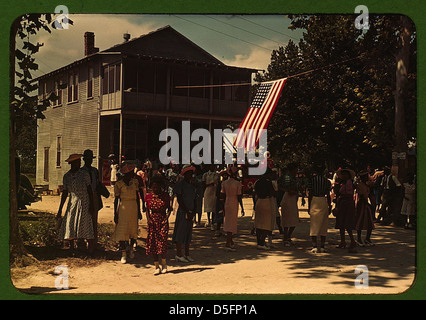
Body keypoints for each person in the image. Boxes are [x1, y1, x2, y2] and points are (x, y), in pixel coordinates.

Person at [56, 154, 95, 254]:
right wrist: (60, 209)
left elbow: (89, 189)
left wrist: (91, 204)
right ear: (71, 163)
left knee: (85, 223)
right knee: (70, 222)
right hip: (72, 201)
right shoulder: (67, 176)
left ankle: (90, 248)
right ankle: (72, 248)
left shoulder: (84, 174)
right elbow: (65, 193)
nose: (79, 163)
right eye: (77, 162)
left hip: (84, 201)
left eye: (79, 162)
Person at [113, 163, 142, 264]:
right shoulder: (119, 184)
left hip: (133, 207)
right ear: (126, 174)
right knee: (122, 230)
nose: (132, 175)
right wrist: (115, 214)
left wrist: (139, 211)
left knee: (133, 229)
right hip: (123, 208)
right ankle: (123, 253)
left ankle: (131, 249)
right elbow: (116, 200)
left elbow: (138, 198)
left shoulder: (135, 182)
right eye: (130, 173)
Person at [145, 176, 172, 275]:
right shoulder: (148, 196)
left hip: (162, 221)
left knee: (162, 242)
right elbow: (147, 209)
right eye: (154, 187)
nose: (155, 189)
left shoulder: (165, 196)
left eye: (157, 187)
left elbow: (169, 208)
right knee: (153, 243)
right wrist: (149, 219)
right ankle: (156, 266)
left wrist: (166, 219)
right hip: (152, 221)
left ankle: (164, 264)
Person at [172, 165, 197, 262]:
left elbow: (194, 198)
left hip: (190, 211)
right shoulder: (180, 184)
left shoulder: (192, 185)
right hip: (183, 211)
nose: (190, 176)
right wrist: (186, 211)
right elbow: (180, 198)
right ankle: (179, 254)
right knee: (180, 232)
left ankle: (187, 254)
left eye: (191, 174)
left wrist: (193, 211)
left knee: (188, 233)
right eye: (188, 174)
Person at [81, 149, 105, 245]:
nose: (89, 161)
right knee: (84, 219)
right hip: (84, 196)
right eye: (87, 159)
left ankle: (93, 242)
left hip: (94, 195)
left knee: (93, 219)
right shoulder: (81, 172)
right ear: (84, 160)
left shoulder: (95, 171)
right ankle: (82, 240)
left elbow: (98, 183)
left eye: (90, 159)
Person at [307, 166, 332, 253]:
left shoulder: (312, 181)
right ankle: (322, 245)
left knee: (314, 223)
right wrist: (329, 205)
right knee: (323, 224)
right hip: (323, 200)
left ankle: (314, 246)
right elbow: (328, 195)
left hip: (315, 200)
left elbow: (310, 194)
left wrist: (309, 205)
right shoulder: (327, 182)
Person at [221, 166, 245, 251]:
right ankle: (228, 243)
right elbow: (239, 196)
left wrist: (222, 206)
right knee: (232, 222)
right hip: (234, 202)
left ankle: (230, 241)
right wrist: (242, 207)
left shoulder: (224, 183)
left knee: (228, 221)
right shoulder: (237, 183)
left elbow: (222, 195)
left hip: (227, 202)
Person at [335, 169, 357, 253]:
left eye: (345, 174)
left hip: (347, 204)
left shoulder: (349, 183)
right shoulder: (342, 183)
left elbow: (348, 194)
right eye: (343, 174)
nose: (344, 176)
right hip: (342, 204)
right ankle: (343, 241)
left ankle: (351, 240)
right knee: (341, 223)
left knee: (347, 223)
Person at [254, 168, 277, 250]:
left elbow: (255, 193)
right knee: (266, 224)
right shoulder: (268, 182)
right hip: (267, 201)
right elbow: (272, 192)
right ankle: (262, 241)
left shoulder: (257, 182)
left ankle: (258, 242)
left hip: (259, 201)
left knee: (258, 223)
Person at [280, 163, 300, 246]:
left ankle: (287, 237)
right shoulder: (287, 177)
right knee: (288, 218)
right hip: (288, 197)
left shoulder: (292, 177)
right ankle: (286, 237)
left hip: (292, 197)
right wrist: (290, 191)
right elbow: (287, 188)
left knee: (293, 218)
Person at [355, 170, 375, 247]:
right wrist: (368, 204)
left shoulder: (366, 185)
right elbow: (361, 196)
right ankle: (359, 239)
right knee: (360, 221)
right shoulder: (359, 185)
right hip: (362, 204)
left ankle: (367, 238)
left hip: (366, 203)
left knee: (369, 222)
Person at [202, 164, 219, 229]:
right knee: (208, 207)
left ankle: (213, 222)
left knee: (214, 208)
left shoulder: (216, 175)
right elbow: (203, 184)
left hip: (214, 191)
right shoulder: (205, 175)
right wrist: (209, 184)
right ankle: (209, 220)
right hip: (208, 191)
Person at [213, 169, 229, 238]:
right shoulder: (220, 184)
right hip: (220, 202)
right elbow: (217, 193)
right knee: (219, 216)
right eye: (224, 175)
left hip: (227, 201)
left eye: (226, 175)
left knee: (226, 216)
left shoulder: (228, 184)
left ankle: (226, 230)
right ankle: (218, 230)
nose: (225, 176)